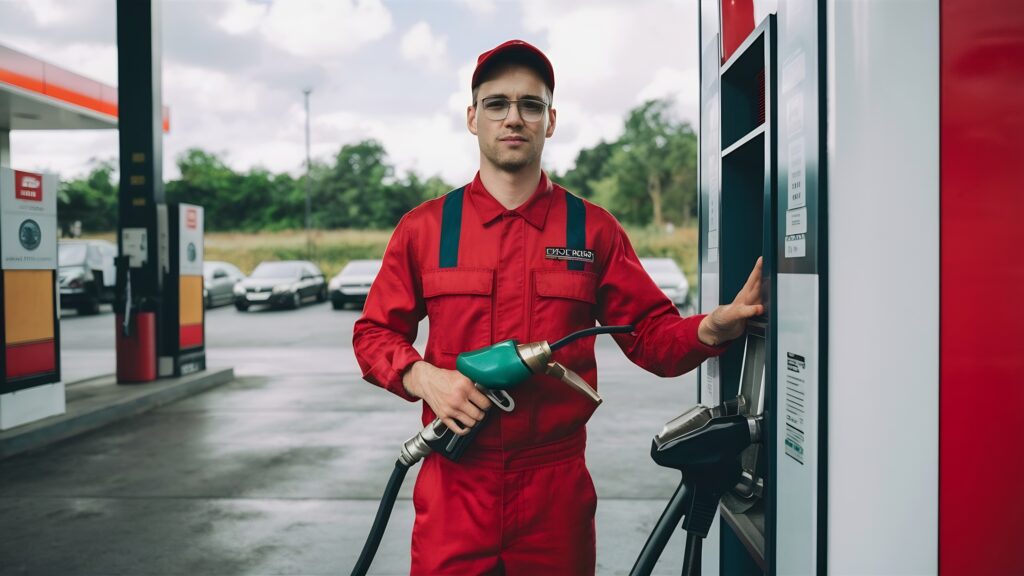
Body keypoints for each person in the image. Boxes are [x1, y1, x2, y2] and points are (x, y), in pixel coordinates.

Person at [353, 39, 762, 575]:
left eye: (531, 104)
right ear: (473, 118)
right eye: (497, 104)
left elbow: (651, 338)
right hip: (456, 486)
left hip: (554, 491)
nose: (513, 118)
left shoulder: (592, 229)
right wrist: (425, 378)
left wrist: (711, 328)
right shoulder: (425, 229)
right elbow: (374, 335)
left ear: (551, 120)